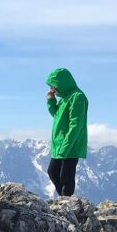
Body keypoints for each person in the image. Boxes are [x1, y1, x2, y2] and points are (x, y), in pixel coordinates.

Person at [46, 68, 88, 197]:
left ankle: (67, 202)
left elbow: (76, 125)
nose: (52, 89)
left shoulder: (77, 97)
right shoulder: (64, 98)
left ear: (61, 83)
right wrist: (51, 100)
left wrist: (65, 148)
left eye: (53, 85)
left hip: (71, 144)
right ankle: (64, 200)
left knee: (66, 177)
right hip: (60, 144)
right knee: (52, 172)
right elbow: (57, 115)